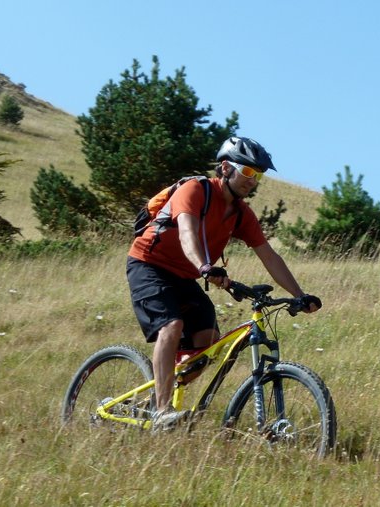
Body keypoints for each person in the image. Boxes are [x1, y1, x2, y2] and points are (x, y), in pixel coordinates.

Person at [126, 136, 321, 429]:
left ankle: (152, 401)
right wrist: (205, 266)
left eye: (258, 175)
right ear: (226, 168)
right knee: (172, 325)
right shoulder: (195, 190)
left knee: (207, 345)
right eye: (249, 172)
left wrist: (300, 294)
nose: (253, 181)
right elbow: (187, 234)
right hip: (149, 265)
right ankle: (162, 410)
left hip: (185, 275)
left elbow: (269, 256)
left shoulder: (242, 214)